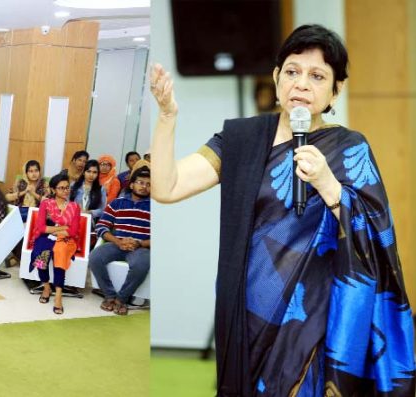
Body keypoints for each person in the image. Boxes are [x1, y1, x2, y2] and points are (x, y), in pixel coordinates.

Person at [149, 24, 413, 395]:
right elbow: (167, 186)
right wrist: (166, 119)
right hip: (248, 312)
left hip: (315, 318)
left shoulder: (350, 148)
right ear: (276, 78)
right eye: (292, 71)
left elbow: (377, 236)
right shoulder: (241, 141)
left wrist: (328, 185)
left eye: (317, 75)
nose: (301, 84)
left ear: (336, 89)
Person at [88, 167, 150, 316]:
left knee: (141, 265)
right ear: (131, 185)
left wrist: (140, 243)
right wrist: (117, 241)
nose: (144, 186)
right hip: (117, 244)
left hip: (140, 247)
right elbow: (101, 227)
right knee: (95, 257)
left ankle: (121, 299)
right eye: (141, 182)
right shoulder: (117, 203)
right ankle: (109, 296)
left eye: (148, 184)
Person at [28, 174, 81, 315]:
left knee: (60, 255)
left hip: (66, 240)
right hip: (46, 237)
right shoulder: (46, 204)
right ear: (53, 189)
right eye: (61, 188)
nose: (65, 191)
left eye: (67, 188)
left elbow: (74, 231)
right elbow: (41, 227)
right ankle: (46, 286)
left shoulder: (74, 207)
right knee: (39, 256)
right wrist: (61, 229)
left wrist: (59, 231)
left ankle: (58, 294)